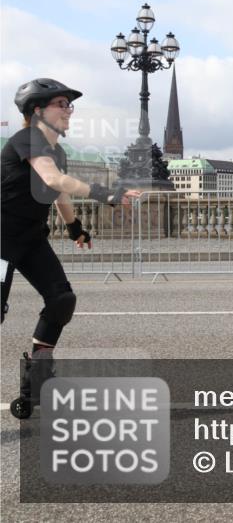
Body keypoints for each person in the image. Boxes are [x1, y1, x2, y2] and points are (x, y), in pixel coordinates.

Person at [1, 78, 140, 418]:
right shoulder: (28, 139)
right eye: (60, 104)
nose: (68, 111)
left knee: (62, 299)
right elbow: (51, 179)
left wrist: (74, 227)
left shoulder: (56, 150)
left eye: (69, 105)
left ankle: (37, 379)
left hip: (30, 238)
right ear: (37, 110)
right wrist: (105, 193)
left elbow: (58, 192)